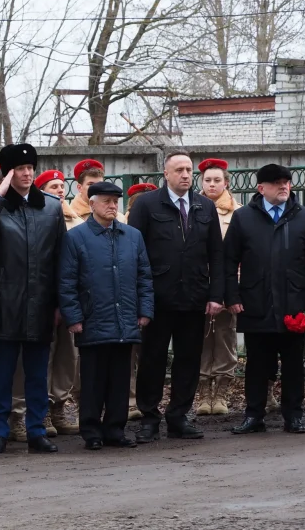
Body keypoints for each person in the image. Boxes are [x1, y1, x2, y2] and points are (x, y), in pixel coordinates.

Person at [0, 143, 66, 454]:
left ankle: (36, 431)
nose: (26, 174)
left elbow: (61, 257)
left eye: (30, 168)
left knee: (38, 374)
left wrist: (60, 303)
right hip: (5, 303)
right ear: (8, 173)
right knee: (2, 373)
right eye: (19, 169)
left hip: (41, 302)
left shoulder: (50, 207)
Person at [226, 164, 305, 435]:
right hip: (255, 302)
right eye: (276, 182)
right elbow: (228, 261)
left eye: (286, 181)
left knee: (294, 364)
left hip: (292, 303)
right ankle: (254, 415)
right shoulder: (243, 218)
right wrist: (232, 295)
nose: (284, 186)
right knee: (257, 364)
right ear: (261, 188)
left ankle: (293, 415)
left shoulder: (304, 217)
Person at [128, 150, 224, 443]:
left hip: (194, 296)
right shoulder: (146, 204)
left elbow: (216, 254)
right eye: (179, 170)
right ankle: (149, 417)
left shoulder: (205, 206)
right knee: (152, 359)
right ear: (166, 174)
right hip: (157, 298)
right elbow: (134, 252)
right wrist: (139, 297)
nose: (185, 175)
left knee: (188, 360)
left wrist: (215, 295)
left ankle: (178, 416)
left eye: (188, 170)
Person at [59, 182, 154, 450]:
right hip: (93, 319)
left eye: (115, 201)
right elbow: (67, 281)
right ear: (92, 204)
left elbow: (144, 277)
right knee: (92, 380)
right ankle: (91, 432)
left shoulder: (132, 236)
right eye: (107, 201)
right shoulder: (76, 237)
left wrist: (145, 310)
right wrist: (73, 317)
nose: (112, 206)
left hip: (125, 319)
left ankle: (115, 430)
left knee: (120, 380)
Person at [35, 169, 81, 436]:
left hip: (71, 301)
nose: (60, 191)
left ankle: (59, 409)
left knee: (67, 358)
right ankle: (41, 412)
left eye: (62, 186)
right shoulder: (39, 218)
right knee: (45, 358)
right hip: (46, 300)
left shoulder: (75, 220)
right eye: (53, 187)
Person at [195, 159, 242, 416]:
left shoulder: (237, 213)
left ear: (226, 183)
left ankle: (221, 392)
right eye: (207, 180)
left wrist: (231, 288)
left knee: (225, 336)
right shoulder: (191, 207)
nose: (212, 185)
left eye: (217, 180)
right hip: (198, 283)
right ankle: (203, 392)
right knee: (200, 337)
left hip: (227, 284)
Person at [124, 181, 157, 420]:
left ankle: (143, 400)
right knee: (129, 352)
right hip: (129, 295)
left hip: (152, 293)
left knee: (149, 352)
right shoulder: (121, 226)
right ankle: (130, 400)